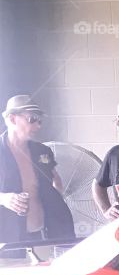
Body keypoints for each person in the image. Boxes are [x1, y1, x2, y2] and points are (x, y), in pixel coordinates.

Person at [0, 94, 75, 247]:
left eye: (39, 120)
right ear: (13, 119)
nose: (38, 126)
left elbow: (56, 179)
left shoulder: (42, 151)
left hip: (45, 234)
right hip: (9, 237)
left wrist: (55, 201)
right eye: (32, 119)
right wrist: (4, 199)